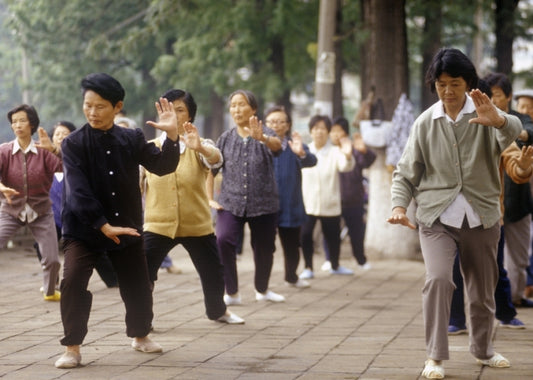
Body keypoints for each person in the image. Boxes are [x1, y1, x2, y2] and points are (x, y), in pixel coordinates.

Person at [387, 48, 522, 379]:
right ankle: (434, 356)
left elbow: (514, 131)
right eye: (441, 84)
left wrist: (501, 119)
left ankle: (483, 350)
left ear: (469, 83)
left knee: (482, 288)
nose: (448, 92)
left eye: (455, 84)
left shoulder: (486, 115)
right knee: (438, 279)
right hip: (436, 219)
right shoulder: (424, 123)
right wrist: (398, 205)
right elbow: (406, 172)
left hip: (482, 216)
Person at [54, 73, 180, 369]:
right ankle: (72, 347)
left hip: (125, 224)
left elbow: (163, 166)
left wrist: (172, 137)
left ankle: (140, 335)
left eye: (100, 106)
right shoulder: (73, 143)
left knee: (138, 282)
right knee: (72, 280)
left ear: (117, 106)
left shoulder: (131, 138)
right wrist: (102, 224)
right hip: (84, 228)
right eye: (88, 105)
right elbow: (78, 191)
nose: (92, 112)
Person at [142, 88, 244, 325]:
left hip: (197, 224)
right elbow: (137, 183)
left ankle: (219, 311)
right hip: (157, 224)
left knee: (214, 274)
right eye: (169, 110)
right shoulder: (149, 147)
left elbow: (216, 159)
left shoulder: (199, 145)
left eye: (180, 110)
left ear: (190, 116)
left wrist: (199, 147)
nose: (175, 115)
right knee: (143, 275)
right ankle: (142, 322)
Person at [448, 76, 533, 336]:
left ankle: (505, 313)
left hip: (488, 216)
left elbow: (514, 164)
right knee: (451, 272)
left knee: (494, 270)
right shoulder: (444, 126)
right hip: (450, 215)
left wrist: (524, 166)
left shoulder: (500, 130)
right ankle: (456, 320)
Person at [209, 89, 285, 305]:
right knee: (223, 239)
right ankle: (231, 292)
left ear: (253, 109)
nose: (236, 109)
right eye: (233, 105)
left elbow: (278, 147)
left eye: (242, 104)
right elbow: (211, 170)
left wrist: (262, 138)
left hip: (264, 203)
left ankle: (262, 289)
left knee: (264, 248)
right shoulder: (224, 138)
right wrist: (209, 198)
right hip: (230, 202)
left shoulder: (266, 132)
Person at [0, 104, 62, 301]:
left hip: (41, 211)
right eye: (14, 121)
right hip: (11, 209)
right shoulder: (4, 151)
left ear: (32, 124)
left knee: (52, 260)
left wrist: (55, 150)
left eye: (22, 120)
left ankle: (50, 291)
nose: (17, 125)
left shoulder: (44, 152)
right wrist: (2, 188)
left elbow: (64, 166)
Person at [487, 74, 533, 308]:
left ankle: (514, 299)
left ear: (508, 97)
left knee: (519, 257)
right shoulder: (480, 122)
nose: (493, 101)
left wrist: (515, 132)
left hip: (520, 202)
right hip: (492, 203)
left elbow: (528, 131)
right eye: (490, 95)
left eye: (497, 96)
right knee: (493, 259)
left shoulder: (520, 119)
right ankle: (501, 303)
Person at [265, 105, 317, 288]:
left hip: (290, 205)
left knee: (292, 246)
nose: (276, 125)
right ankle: (262, 283)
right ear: (265, 124)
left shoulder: (295, 146)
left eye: (280, 122)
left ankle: (291, 276)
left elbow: (312, 161)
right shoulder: (260, 146)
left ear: (287, 125)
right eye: (271, 121)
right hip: (265, 206)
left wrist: (301, 153)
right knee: (265, 247)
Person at [299, 115, 355, 280]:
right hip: (308, 202)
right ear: (311, 131)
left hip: (330, 202)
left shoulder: (335, 152)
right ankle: (308, 267)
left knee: (333, 236)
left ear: (328, 132)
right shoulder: (304, 150)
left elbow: (345, 167)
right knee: (306, 235)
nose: (319, 132)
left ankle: (335, 265)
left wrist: (348, 155)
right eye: (316, 128)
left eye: (323, 129)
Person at [323, 116, 376, 271]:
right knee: (330, 232)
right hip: (333, 200)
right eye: (331, 132)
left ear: (345, 133)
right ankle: (329, 259)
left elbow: (368, 161)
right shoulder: (328, 152)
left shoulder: (354, 150)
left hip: (353, 199)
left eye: (337, 131)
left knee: (356, 233)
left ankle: (360, 260)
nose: (334, 135)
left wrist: (364, 151)